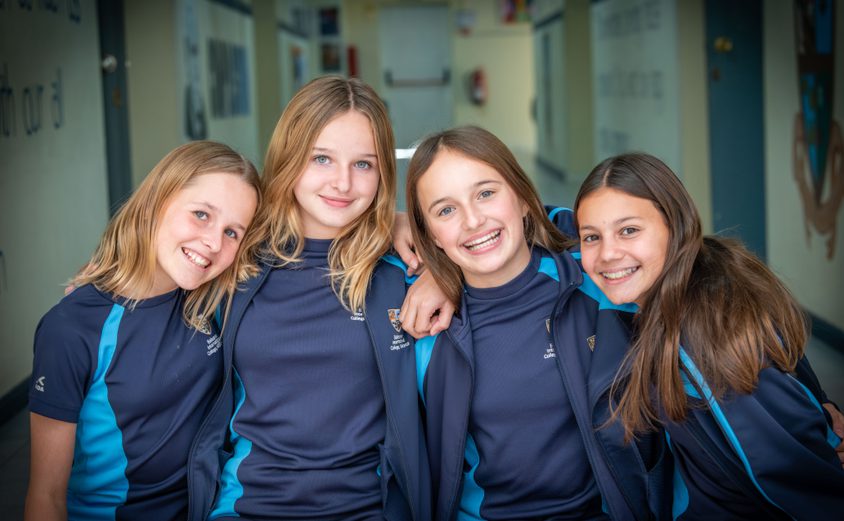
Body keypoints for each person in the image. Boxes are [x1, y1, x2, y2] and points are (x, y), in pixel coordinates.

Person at [191, 76, 448, 521]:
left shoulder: (399, 269)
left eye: (363, 164)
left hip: (367, 508)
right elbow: (162, 251)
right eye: (322, 159)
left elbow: (534, 236)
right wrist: (106, 284)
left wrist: (449, 274)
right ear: (291, 158)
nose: (342, 183)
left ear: (383, 171)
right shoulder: (236, 260)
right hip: (249, 505)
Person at [405, 126, 668, 521]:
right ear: (431, 236)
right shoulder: (424, 325)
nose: (473, 220)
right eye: (446, 210)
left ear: (525, 200)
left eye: (486, 193)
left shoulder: (599, 284)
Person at [574, 152, 844, 519]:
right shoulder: (710, 275)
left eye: (629, 230)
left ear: (676, 226)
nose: (607, 253)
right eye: (591, 237)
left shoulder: (705, 337)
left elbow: (789, 480)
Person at [25, 141, 261, 521]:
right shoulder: (72, 328)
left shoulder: (218, 299)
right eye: (201, 214)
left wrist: (394, 223)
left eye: (233, 232)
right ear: (156, 202)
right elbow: (46, 495)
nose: (214, 242)